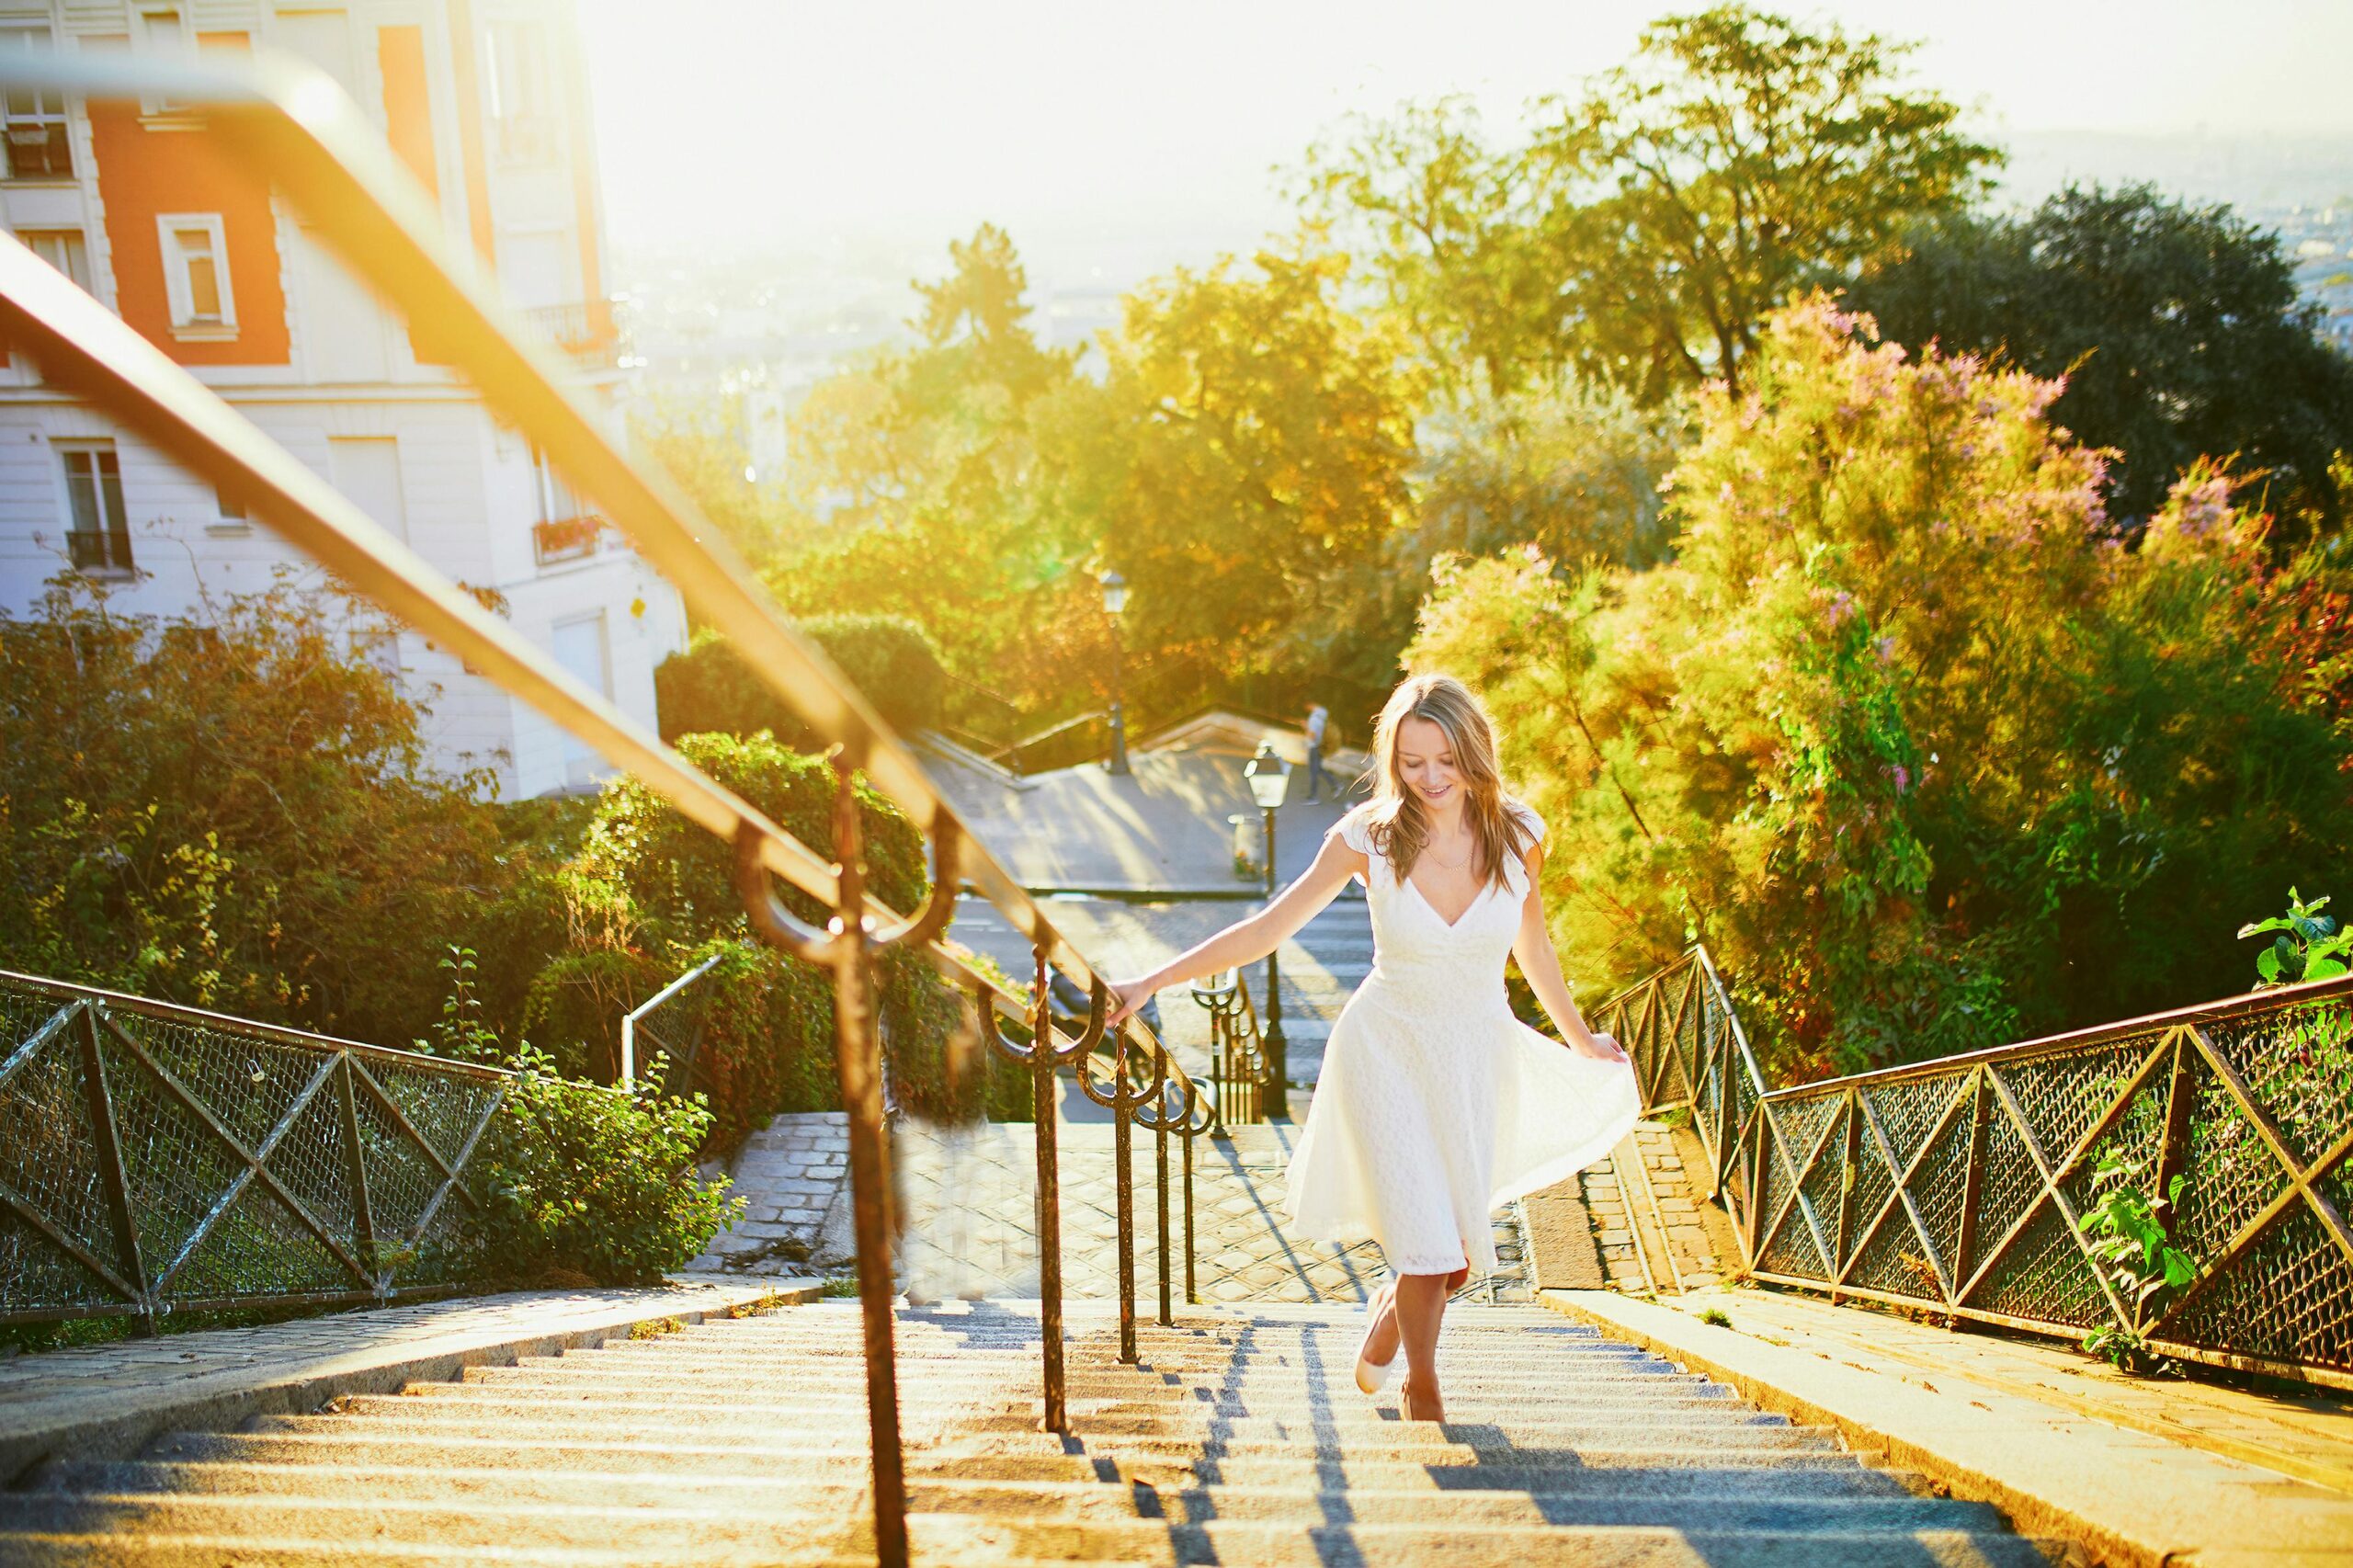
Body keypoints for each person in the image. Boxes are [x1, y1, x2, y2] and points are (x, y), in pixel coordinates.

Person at [1109, 674, 1637, 1422]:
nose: (1428, 778)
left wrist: (1580, 1039)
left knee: (1448, 1255)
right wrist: (1149, 980)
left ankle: (1395, 1311)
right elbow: (1266, 930)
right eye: (1412, 760)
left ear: (1475, 753)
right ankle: (1426, 1393)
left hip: (1476, 1057)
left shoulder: (1520, 836)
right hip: (1384, 1053)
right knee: (1426, 1244)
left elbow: (1534, 948)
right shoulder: (1369, 836)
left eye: (1445, 760)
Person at [1302, 701, 1332, 802]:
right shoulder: (1323, 716)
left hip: (1314, 747)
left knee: (1313, 771)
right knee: (1318, 768)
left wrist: (1305, 727)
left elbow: (1313, 736)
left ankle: (1314, 796)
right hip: (1320, 746)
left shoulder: (1314, 718)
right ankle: (1335, 785)